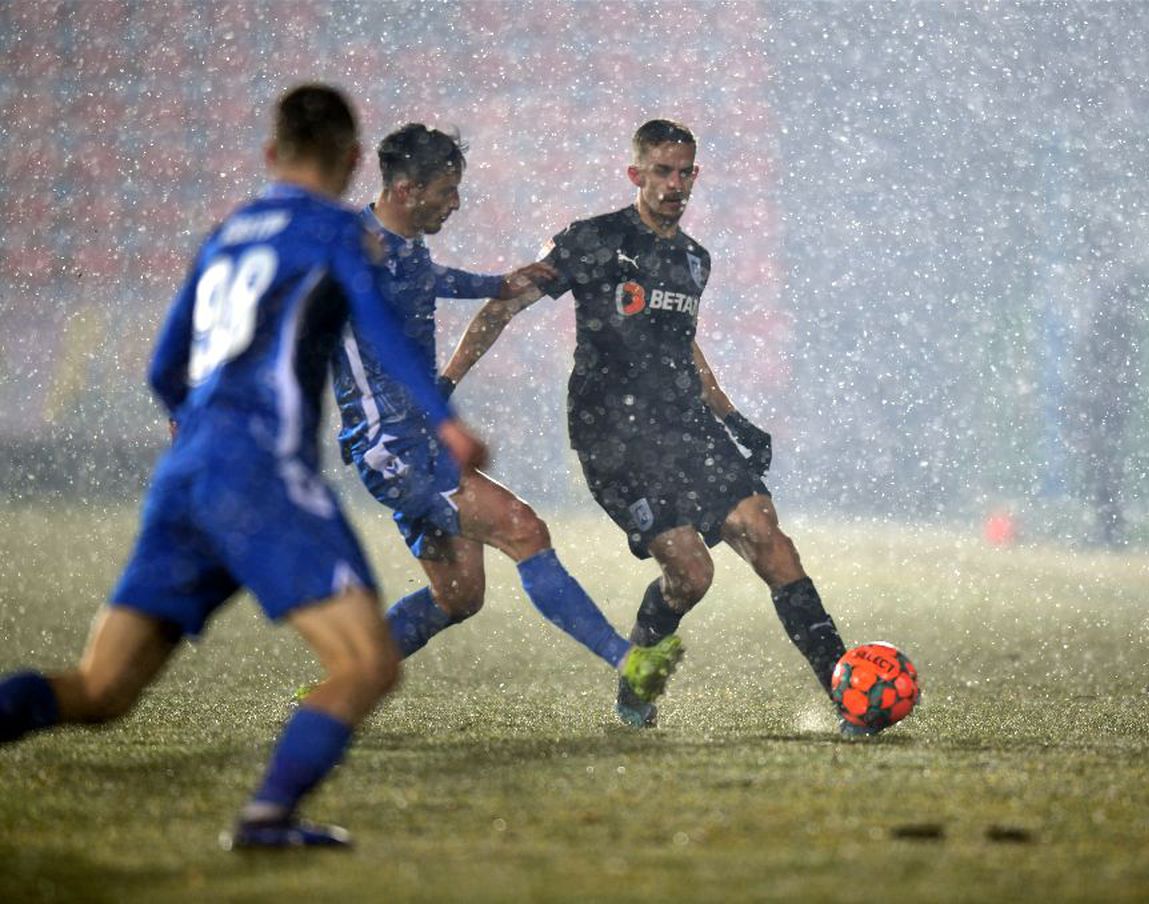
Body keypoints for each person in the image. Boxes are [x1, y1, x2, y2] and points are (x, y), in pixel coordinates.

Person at [0, 84, 490, 849]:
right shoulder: (336, 229)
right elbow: (381, 330)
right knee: (366, 665)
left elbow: (166, 368)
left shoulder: (226, 235)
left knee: (101, 689)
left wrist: (197, 438)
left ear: (271, 156)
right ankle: (268, 817)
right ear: (355, 161)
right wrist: (448, 421)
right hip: (259, 471)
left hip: (188, 471)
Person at [442, 119, 853, 730]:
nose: (675, 184)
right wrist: (443, 386)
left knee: (767, 535)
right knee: (692, 574)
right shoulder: (594, 240)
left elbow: (684, 347)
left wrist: (734, 416)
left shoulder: (693, 260)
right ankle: (636, 686)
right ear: (636, 174)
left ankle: (848, 688)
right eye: (663, 171)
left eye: (686, 172)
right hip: (614, 434)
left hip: (684, 421)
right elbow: (505, 305)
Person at [327, 124, 683, 705]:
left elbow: (426, 280)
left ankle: (340, 689)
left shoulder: (404, 246)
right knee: (523, 528)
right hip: (391, 443)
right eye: (447, 191)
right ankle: (629, 660)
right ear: (409, 188)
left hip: (418, 438)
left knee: (459, 595)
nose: (456, 202)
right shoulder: (350, 256)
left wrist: (497, 282)